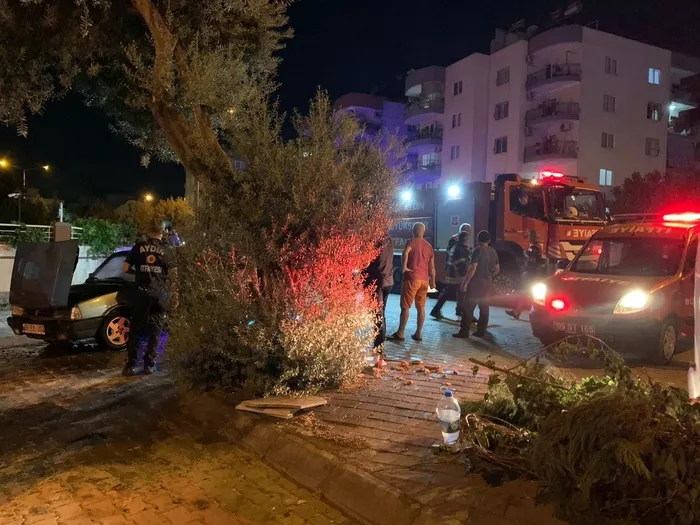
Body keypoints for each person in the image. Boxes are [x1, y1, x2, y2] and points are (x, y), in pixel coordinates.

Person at [121, 219, 176, 376]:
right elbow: (174, 276)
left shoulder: (138, 247)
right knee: (155, 330)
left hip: (141, 293)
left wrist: (138, 273)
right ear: (162, 231)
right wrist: (173, 294)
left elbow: (125, 268)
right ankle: (149, 365)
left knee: (136, 329)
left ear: (147, 231)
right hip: (159, 295)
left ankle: (130, 366)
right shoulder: (167, 249)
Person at [389, 222, 435, 342]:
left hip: (412, 278)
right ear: (423, 232)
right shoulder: (429, 246)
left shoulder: (411, 241)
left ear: (413, 231)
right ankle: (418, 334)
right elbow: (432, 267)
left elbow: (405, 253)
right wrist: (433, 281)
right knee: (421, 307)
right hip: (424, 280)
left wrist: (404, 266)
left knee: (405, 307)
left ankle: (400, 333)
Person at [453, 230, 499, 339]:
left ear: (478, 240)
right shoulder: (493, 252)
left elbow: (473, 268)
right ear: (489, 240)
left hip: (476, 283)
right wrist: (489, 277)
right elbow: (497, 269)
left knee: (468, 308)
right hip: (487, 283)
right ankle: (481, 331)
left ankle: (464, 332)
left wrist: (465, 282)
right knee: (484, 307)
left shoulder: (477, 251)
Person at [431, 231, 471, 319]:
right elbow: (464, 264)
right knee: (464, 294)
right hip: (459, 277)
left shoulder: (455, 247)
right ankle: (465, 314)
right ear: (465, 239)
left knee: (452, 293)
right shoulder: (462, 250)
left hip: (452, 275)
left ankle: (437, 310)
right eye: (468, 239)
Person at [364, 234, 394, 351]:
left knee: (377, 315)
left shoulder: (374, 240)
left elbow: (368, 262)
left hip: (377, 281)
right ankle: (380, 344)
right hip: (388, 280)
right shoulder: (389, 239)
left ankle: (378, 346)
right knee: (381, 314)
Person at [506, 230, 544, 320]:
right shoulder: (535, 247)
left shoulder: (535, 248)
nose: (528, 237)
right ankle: (516, 312)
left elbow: (533, 261)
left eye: (530, 236)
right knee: (526, 294)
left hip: (532, 274)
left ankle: (519, 312)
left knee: (527, 294)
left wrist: (525, 256)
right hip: (533, 274)